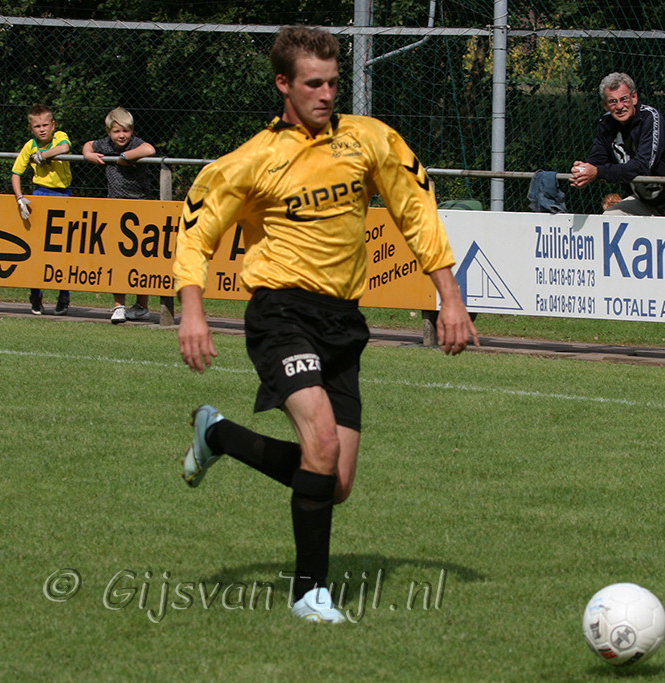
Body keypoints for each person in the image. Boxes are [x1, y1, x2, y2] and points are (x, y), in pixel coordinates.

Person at [173, 25, 479, 625]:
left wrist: (450, 297)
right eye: (313, 83)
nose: (326, 94)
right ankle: (309, 595)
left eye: (333, 83)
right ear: (283, 84)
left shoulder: (368, 139)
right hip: (280, 313)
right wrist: (192, 308)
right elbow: (195, 232)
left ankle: (219, 436)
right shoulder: (252, 159)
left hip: (343, 320)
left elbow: (415, 210)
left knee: (334, 481)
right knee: (322, 444)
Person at [569, 72, 665, 355]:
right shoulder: (606, 124)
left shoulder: (650, 118)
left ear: (634, 97)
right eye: (612, 102)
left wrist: (598, 172)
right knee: (611, 219)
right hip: (644, 202)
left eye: (623, 99)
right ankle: (634, 290)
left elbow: (643, 165)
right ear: (605, 105)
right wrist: (583, 170)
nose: (619, 106)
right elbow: (597, 160)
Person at [82, 107, 156, 323]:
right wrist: (88, 155)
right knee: (117, 258)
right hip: (115, 206)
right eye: (116, 131)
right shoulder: (105, 144)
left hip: (141, 206)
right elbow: (88, 145)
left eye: (126, 130)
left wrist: (124, 157)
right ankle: (119, 306)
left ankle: (142, 306)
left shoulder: (134, 144)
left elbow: (149, 149)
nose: (122, 135)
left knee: (141, 258)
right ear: (109, 132)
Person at [11, 104, 72, 316]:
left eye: (45, 125)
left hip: (63, 195)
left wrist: (43, 156)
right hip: (40, 194)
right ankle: (35, 293)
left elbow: (64, 148)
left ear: (53, 125)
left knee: (63, 249)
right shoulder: (29, 146)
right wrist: (19, 197)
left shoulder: (59, 137)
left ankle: (64, 295)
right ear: (31, 128)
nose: (42, 129)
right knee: (37, 248)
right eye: (37, 126)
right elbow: (16, 173)